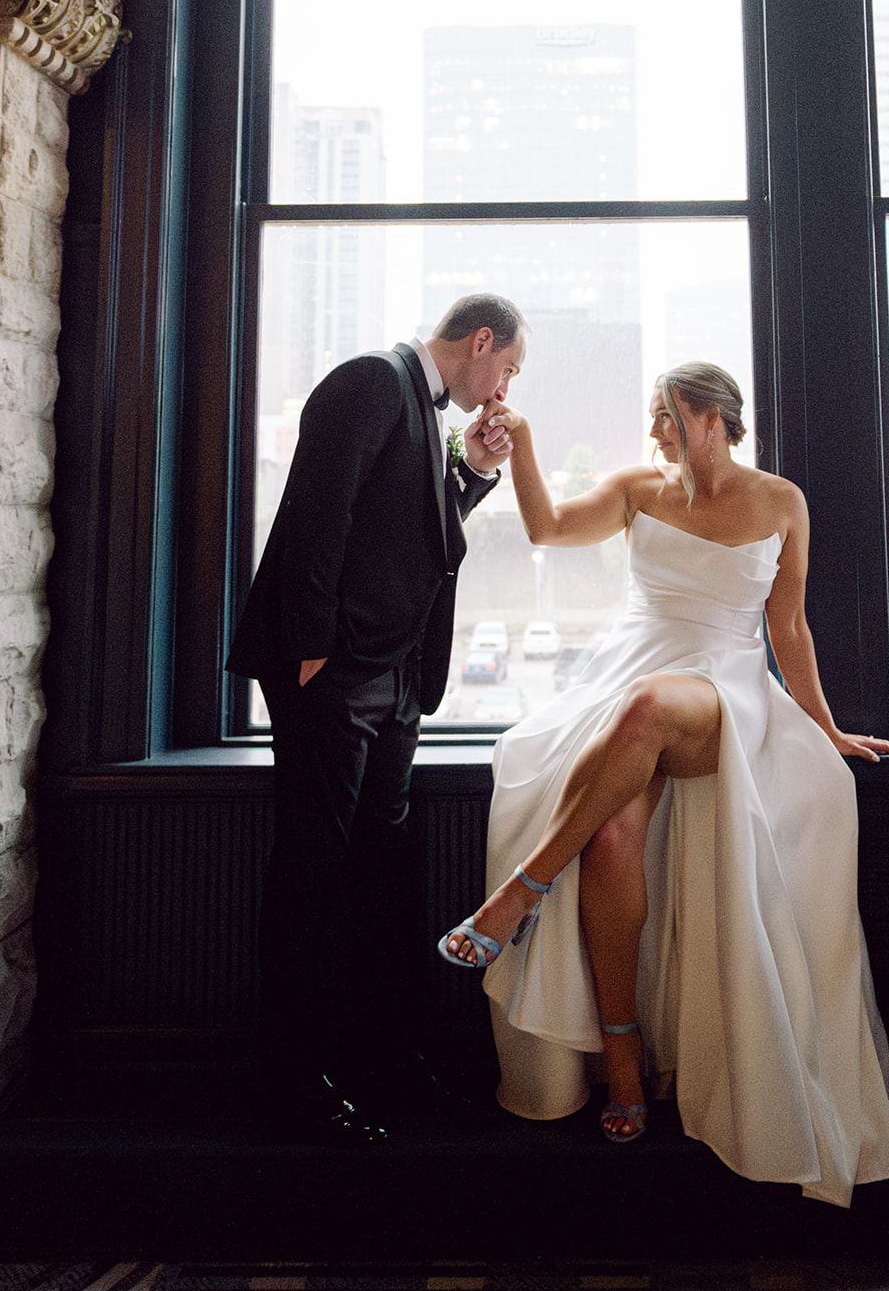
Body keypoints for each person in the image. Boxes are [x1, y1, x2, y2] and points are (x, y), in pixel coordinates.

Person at [439, 361, 889, 1207]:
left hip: (718, 686)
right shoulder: (636, 489)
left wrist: (826, 727)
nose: (655, 430)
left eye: (668, 415)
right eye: (652, 415)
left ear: (716, 417)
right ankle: (621, 1063)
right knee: (612, 834)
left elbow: (787, 626)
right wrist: (527, 446)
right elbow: (543, 529)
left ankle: (516, 893)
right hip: (624, 677)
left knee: (652, 708)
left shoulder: (780, 501)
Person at [227, 293, 527, 1144]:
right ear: (480, 342)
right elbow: (318, 518)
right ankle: (288, 1082)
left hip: (393, 681)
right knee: (310, 874)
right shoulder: (369, 381)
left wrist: (467, 473)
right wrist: (313, 651)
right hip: (335, 674)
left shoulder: (429, 416)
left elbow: (415, 538)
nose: (504, 386)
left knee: (383, 878)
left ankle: (384, 1064)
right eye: (507, 367)